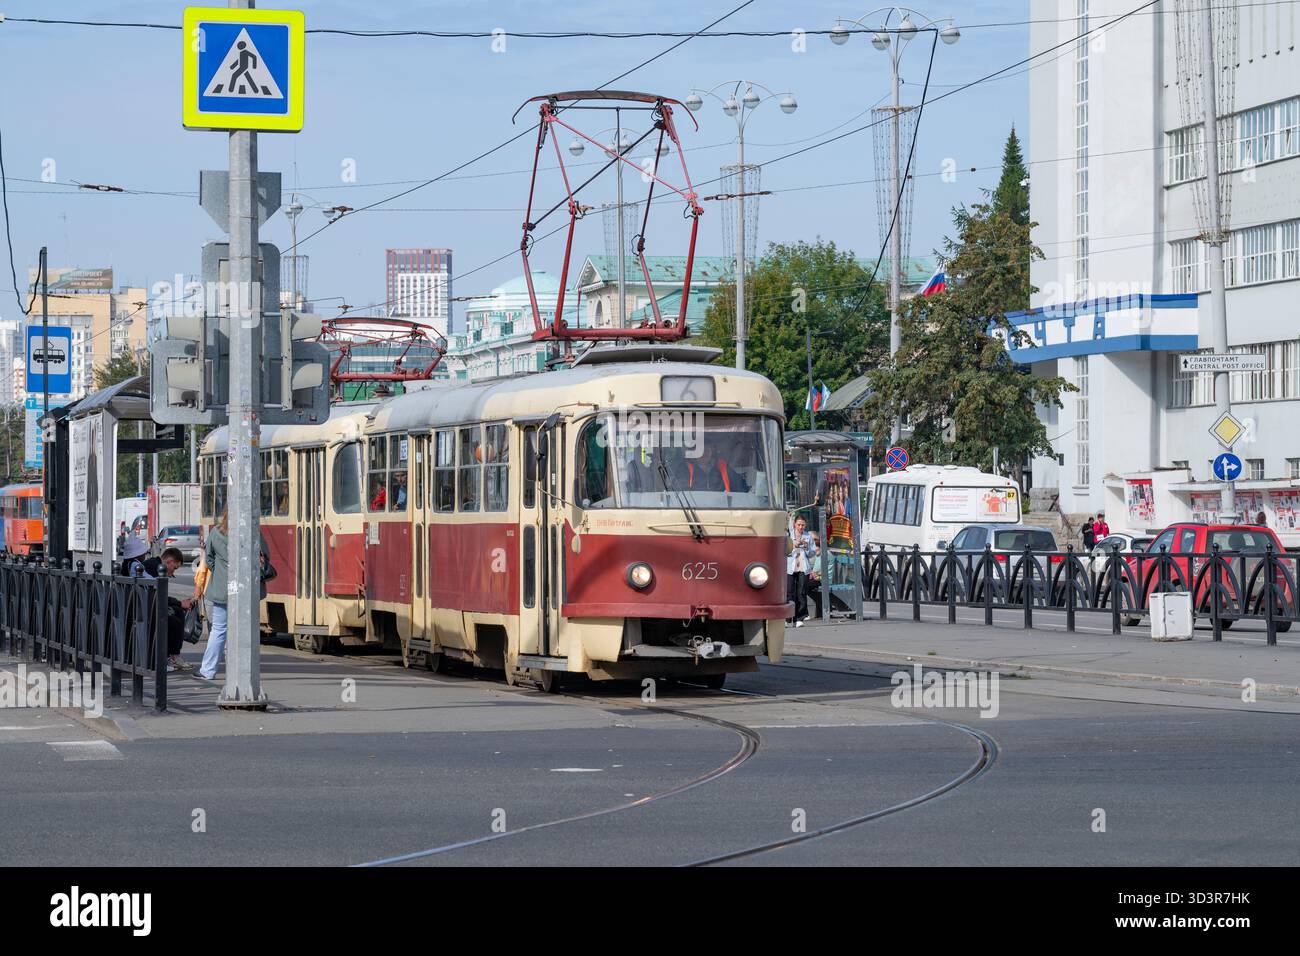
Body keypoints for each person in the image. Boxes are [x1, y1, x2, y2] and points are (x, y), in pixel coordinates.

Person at [196, 510, 270, 682]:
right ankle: (244, 671)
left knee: (219, 629)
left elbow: (210, 558)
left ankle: (207, 670)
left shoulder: (216, 532)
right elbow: (266, 555)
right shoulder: (252, 531)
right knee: (246, 628)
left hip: (223, 587)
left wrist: (222, 573)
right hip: (247, 588)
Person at [143, 547, 195, 672]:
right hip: (146, 609)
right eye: (175, 568)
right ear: (169, 561)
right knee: (174, 621)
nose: (173, 573)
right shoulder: (154, 568)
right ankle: (170, 656)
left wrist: (178, 604)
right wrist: (179, 603)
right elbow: (158, 597)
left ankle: (173, 655)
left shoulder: (153, 564)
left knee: (177, 611)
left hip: (147, 605)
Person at [786, 515, 816, 627]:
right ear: (794, 524)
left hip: (803, 567)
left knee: (801, 593)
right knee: (789, 592)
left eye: (803, 525)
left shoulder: (808, 536)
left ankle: (799, 618)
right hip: (790, 567)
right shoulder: (789, 535)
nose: (800, 527)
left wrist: (807, 547)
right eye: (799, 524)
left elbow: (813, 553)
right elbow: (784, 550)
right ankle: (788, 618)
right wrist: (793, 546)